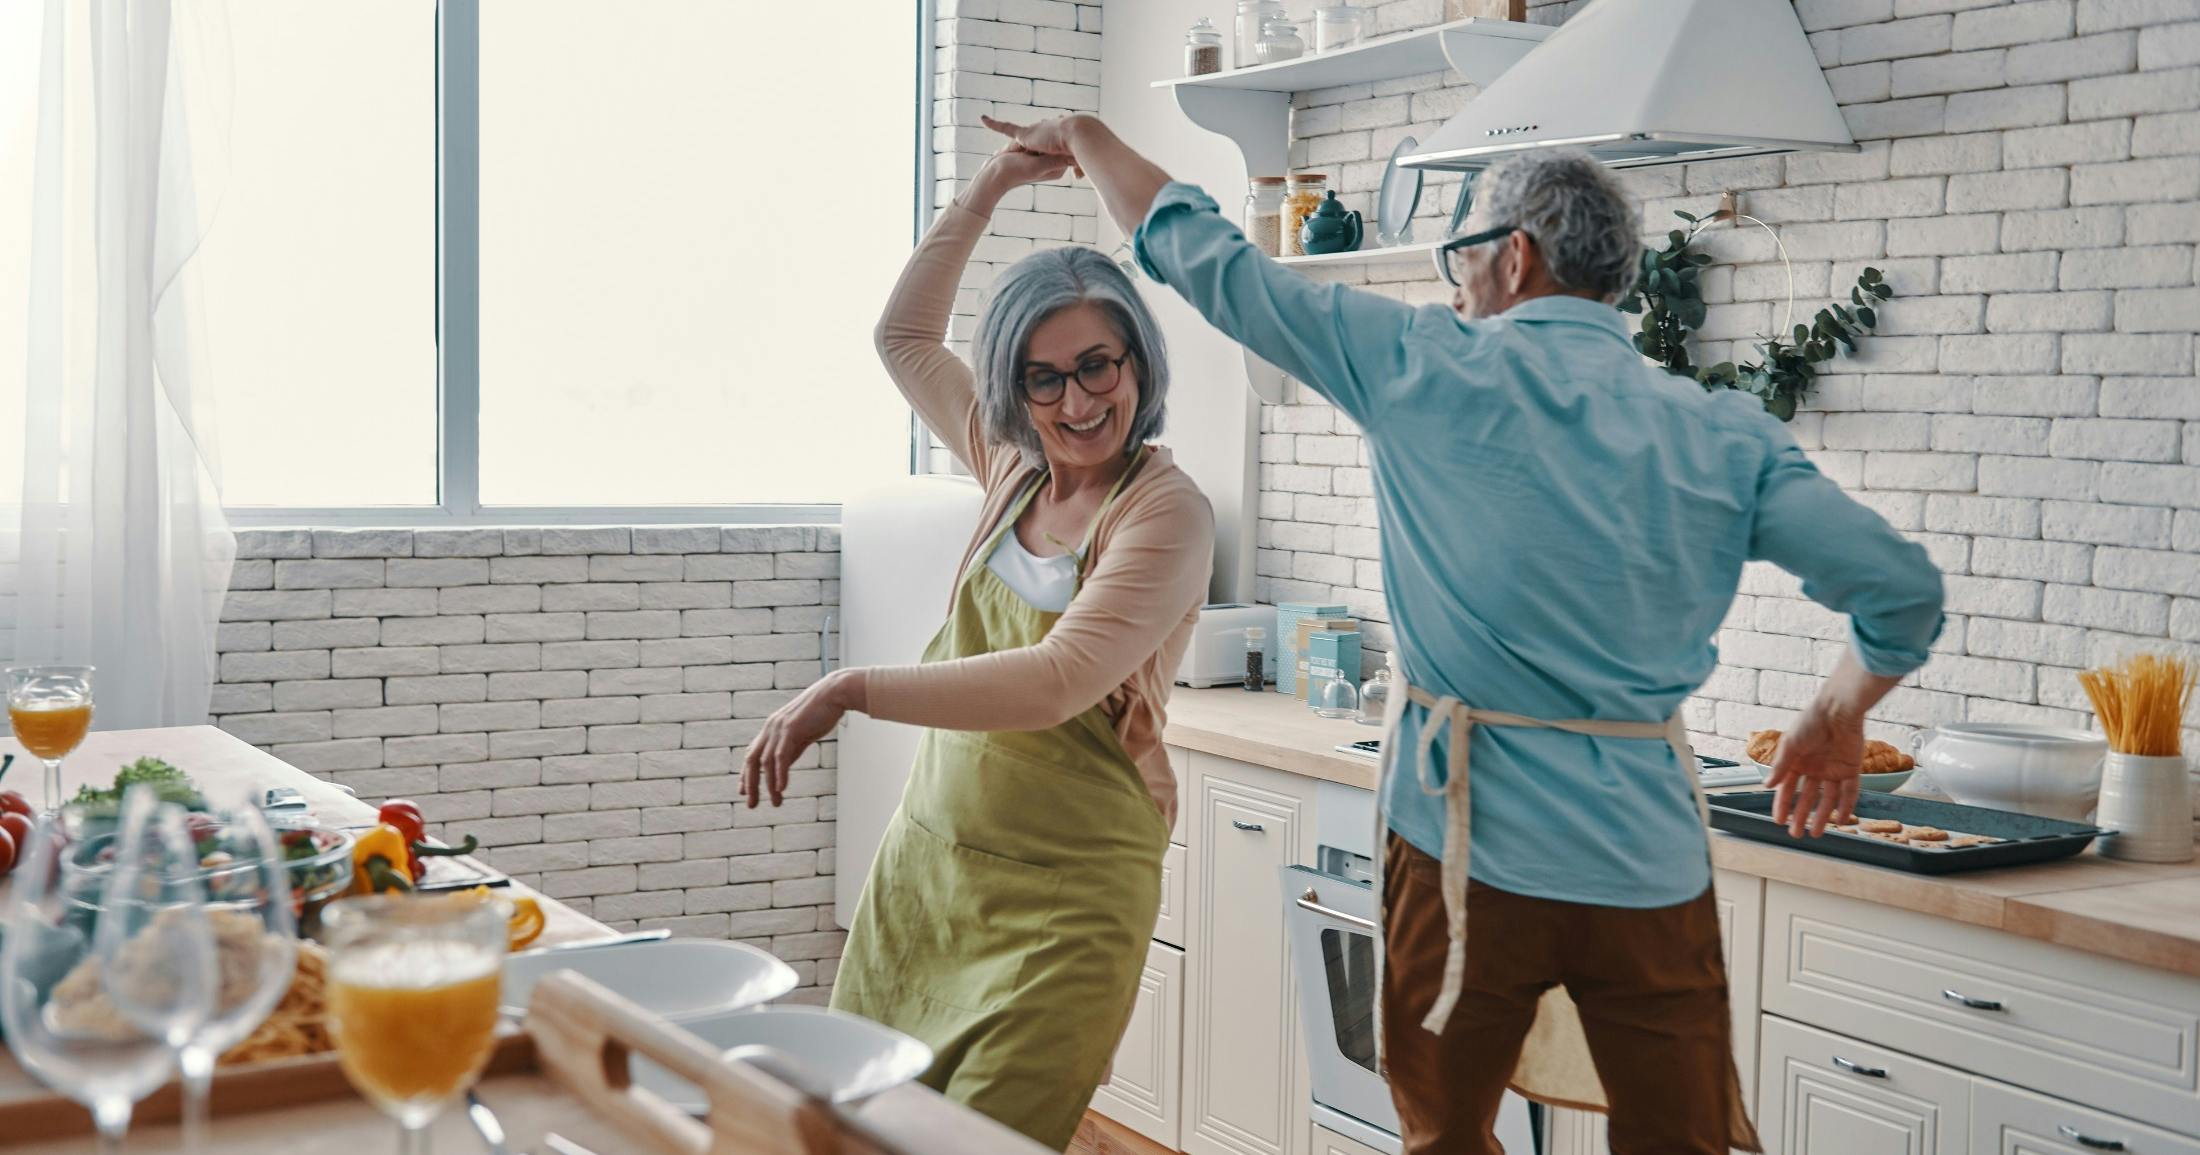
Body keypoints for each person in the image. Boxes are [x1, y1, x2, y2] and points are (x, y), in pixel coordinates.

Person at [984, 113, 1944, 1155]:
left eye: (1461, 255)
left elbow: (1207, 259)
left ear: (1513, 257)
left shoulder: (1420, 364)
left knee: (1443, 1135)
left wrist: (1088, 137)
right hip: (1648, 860)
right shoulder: (1719, 431)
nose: (1452, 284)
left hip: (1459, 851)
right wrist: (1835, 713)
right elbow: (1901, 594)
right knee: (1683, 1139)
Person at [737, 141, 1213, 1151]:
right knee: (854, 1131)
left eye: (1097, 366)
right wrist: (989, 189)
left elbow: (1058, 681)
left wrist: (852, 688)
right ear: (1012, 389)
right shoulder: (1012, 466)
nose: (1077, 404)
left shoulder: (1163, 513)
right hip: (930, 874)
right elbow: (904, 335)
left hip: (1067, 902)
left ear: (1136, 363)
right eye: (1044, 380)